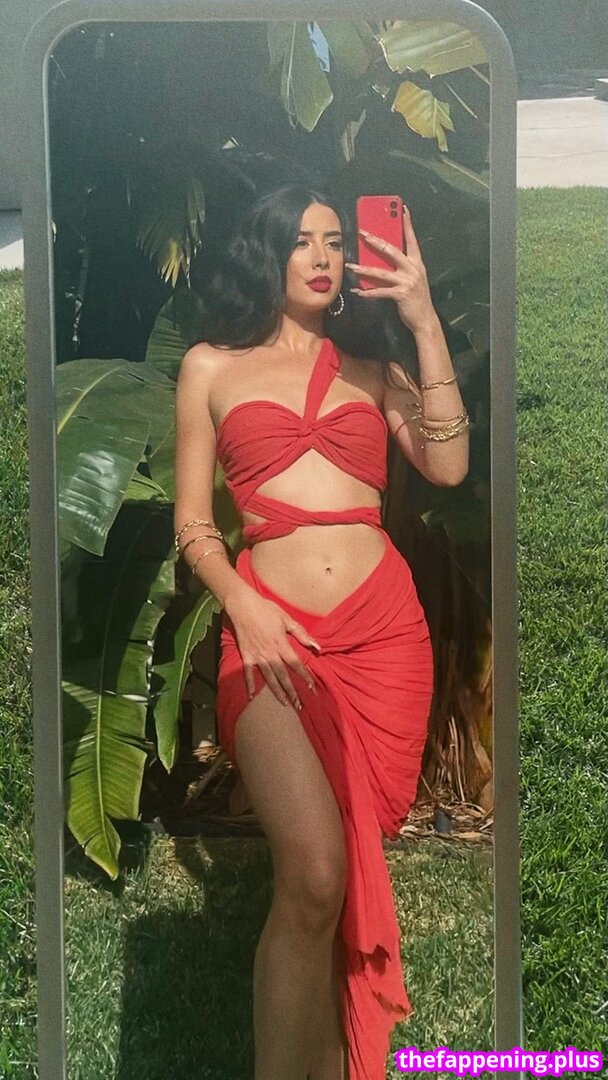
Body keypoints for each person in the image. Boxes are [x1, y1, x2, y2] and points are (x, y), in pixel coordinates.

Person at [173, 186, 469, 1080]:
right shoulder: (210, 368)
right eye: (302, 241)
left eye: (336, 241)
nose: (323, 257)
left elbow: (449, 463)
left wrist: (422, 321)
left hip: (384, 639)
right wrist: (243, 604)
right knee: (312, 872)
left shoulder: (372, 372)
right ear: (266, 254)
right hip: (270, 637)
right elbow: (194, 526)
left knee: (337, 885)